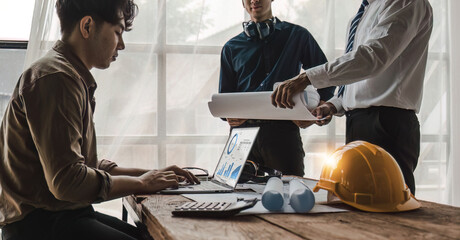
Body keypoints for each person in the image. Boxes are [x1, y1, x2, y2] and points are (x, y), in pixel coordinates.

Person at [0, 0, 199, 239]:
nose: (122, 45)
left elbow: (84, 166)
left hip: (61, 215)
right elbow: (67, 181)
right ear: (87, 26)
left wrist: (152, 175)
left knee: (149, 236)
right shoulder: (57, 79)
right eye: (118, 32)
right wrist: (143, 184)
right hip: (40, 225)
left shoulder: (68, 76)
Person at [272, 0, 433, 194]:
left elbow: (372, 58)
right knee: (360, 207)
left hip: (388, 125)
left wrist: (307, 78)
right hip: (359, 123)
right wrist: (333, 105)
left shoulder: (404, 2)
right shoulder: (363, 13)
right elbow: (359, 75)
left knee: (391, 210)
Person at [219, 0, 335, 176]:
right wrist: (227, 115)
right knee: (236, 197)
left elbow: (327, 76)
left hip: (283, 133)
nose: (254, 0)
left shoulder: (298, 36)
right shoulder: (230, 48)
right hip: (240, 136)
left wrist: (318, 109)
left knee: (290, 195)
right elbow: (224, 99)